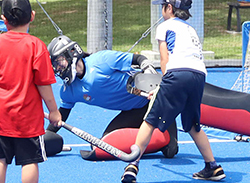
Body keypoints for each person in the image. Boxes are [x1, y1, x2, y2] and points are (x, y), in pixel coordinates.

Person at [121, 0, 224, 183]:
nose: (162, 10)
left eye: (163, 6)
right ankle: (212, 166)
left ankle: (132, 165)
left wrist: (162, 85)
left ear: (170, 8)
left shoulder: (165, 26)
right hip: (199, 76)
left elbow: (165, 59)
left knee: (150, 120)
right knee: (193, 125)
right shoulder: (190, 29)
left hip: (178, 74)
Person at [0, 0, 61, 183]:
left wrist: (8, 86)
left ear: (3, 19)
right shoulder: (36, 46)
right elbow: (44, 84)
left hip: (1, 113)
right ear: (33, 16)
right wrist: (54, 110)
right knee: (30, 160)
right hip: (27, 117)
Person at [46, 36, 176, 154]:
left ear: (72, 53)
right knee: (104, 147)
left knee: (170, 151)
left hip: (153, 104)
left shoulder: (102, 60)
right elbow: (61, 115)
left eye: (59, 62)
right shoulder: (68, 91)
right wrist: (47, 137)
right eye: (55, 66)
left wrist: (147, 68)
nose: (58, 68)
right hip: (133, 112)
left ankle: (160, 134)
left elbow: (137, 59)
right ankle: (148, 138)